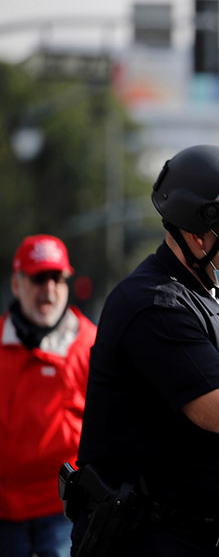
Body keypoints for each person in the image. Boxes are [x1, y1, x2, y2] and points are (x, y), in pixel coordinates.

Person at [69, 145, 219, 556]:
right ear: (199, 233)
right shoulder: (155, 303)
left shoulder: (215, 292)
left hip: (204, 536)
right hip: (149, 538)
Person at [0, 235, 96, 557]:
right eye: (39, 278)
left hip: (64, 513)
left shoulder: (92, 345)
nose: (49, 290)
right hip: (5, 514)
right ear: (16, 285)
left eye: (57, 278)